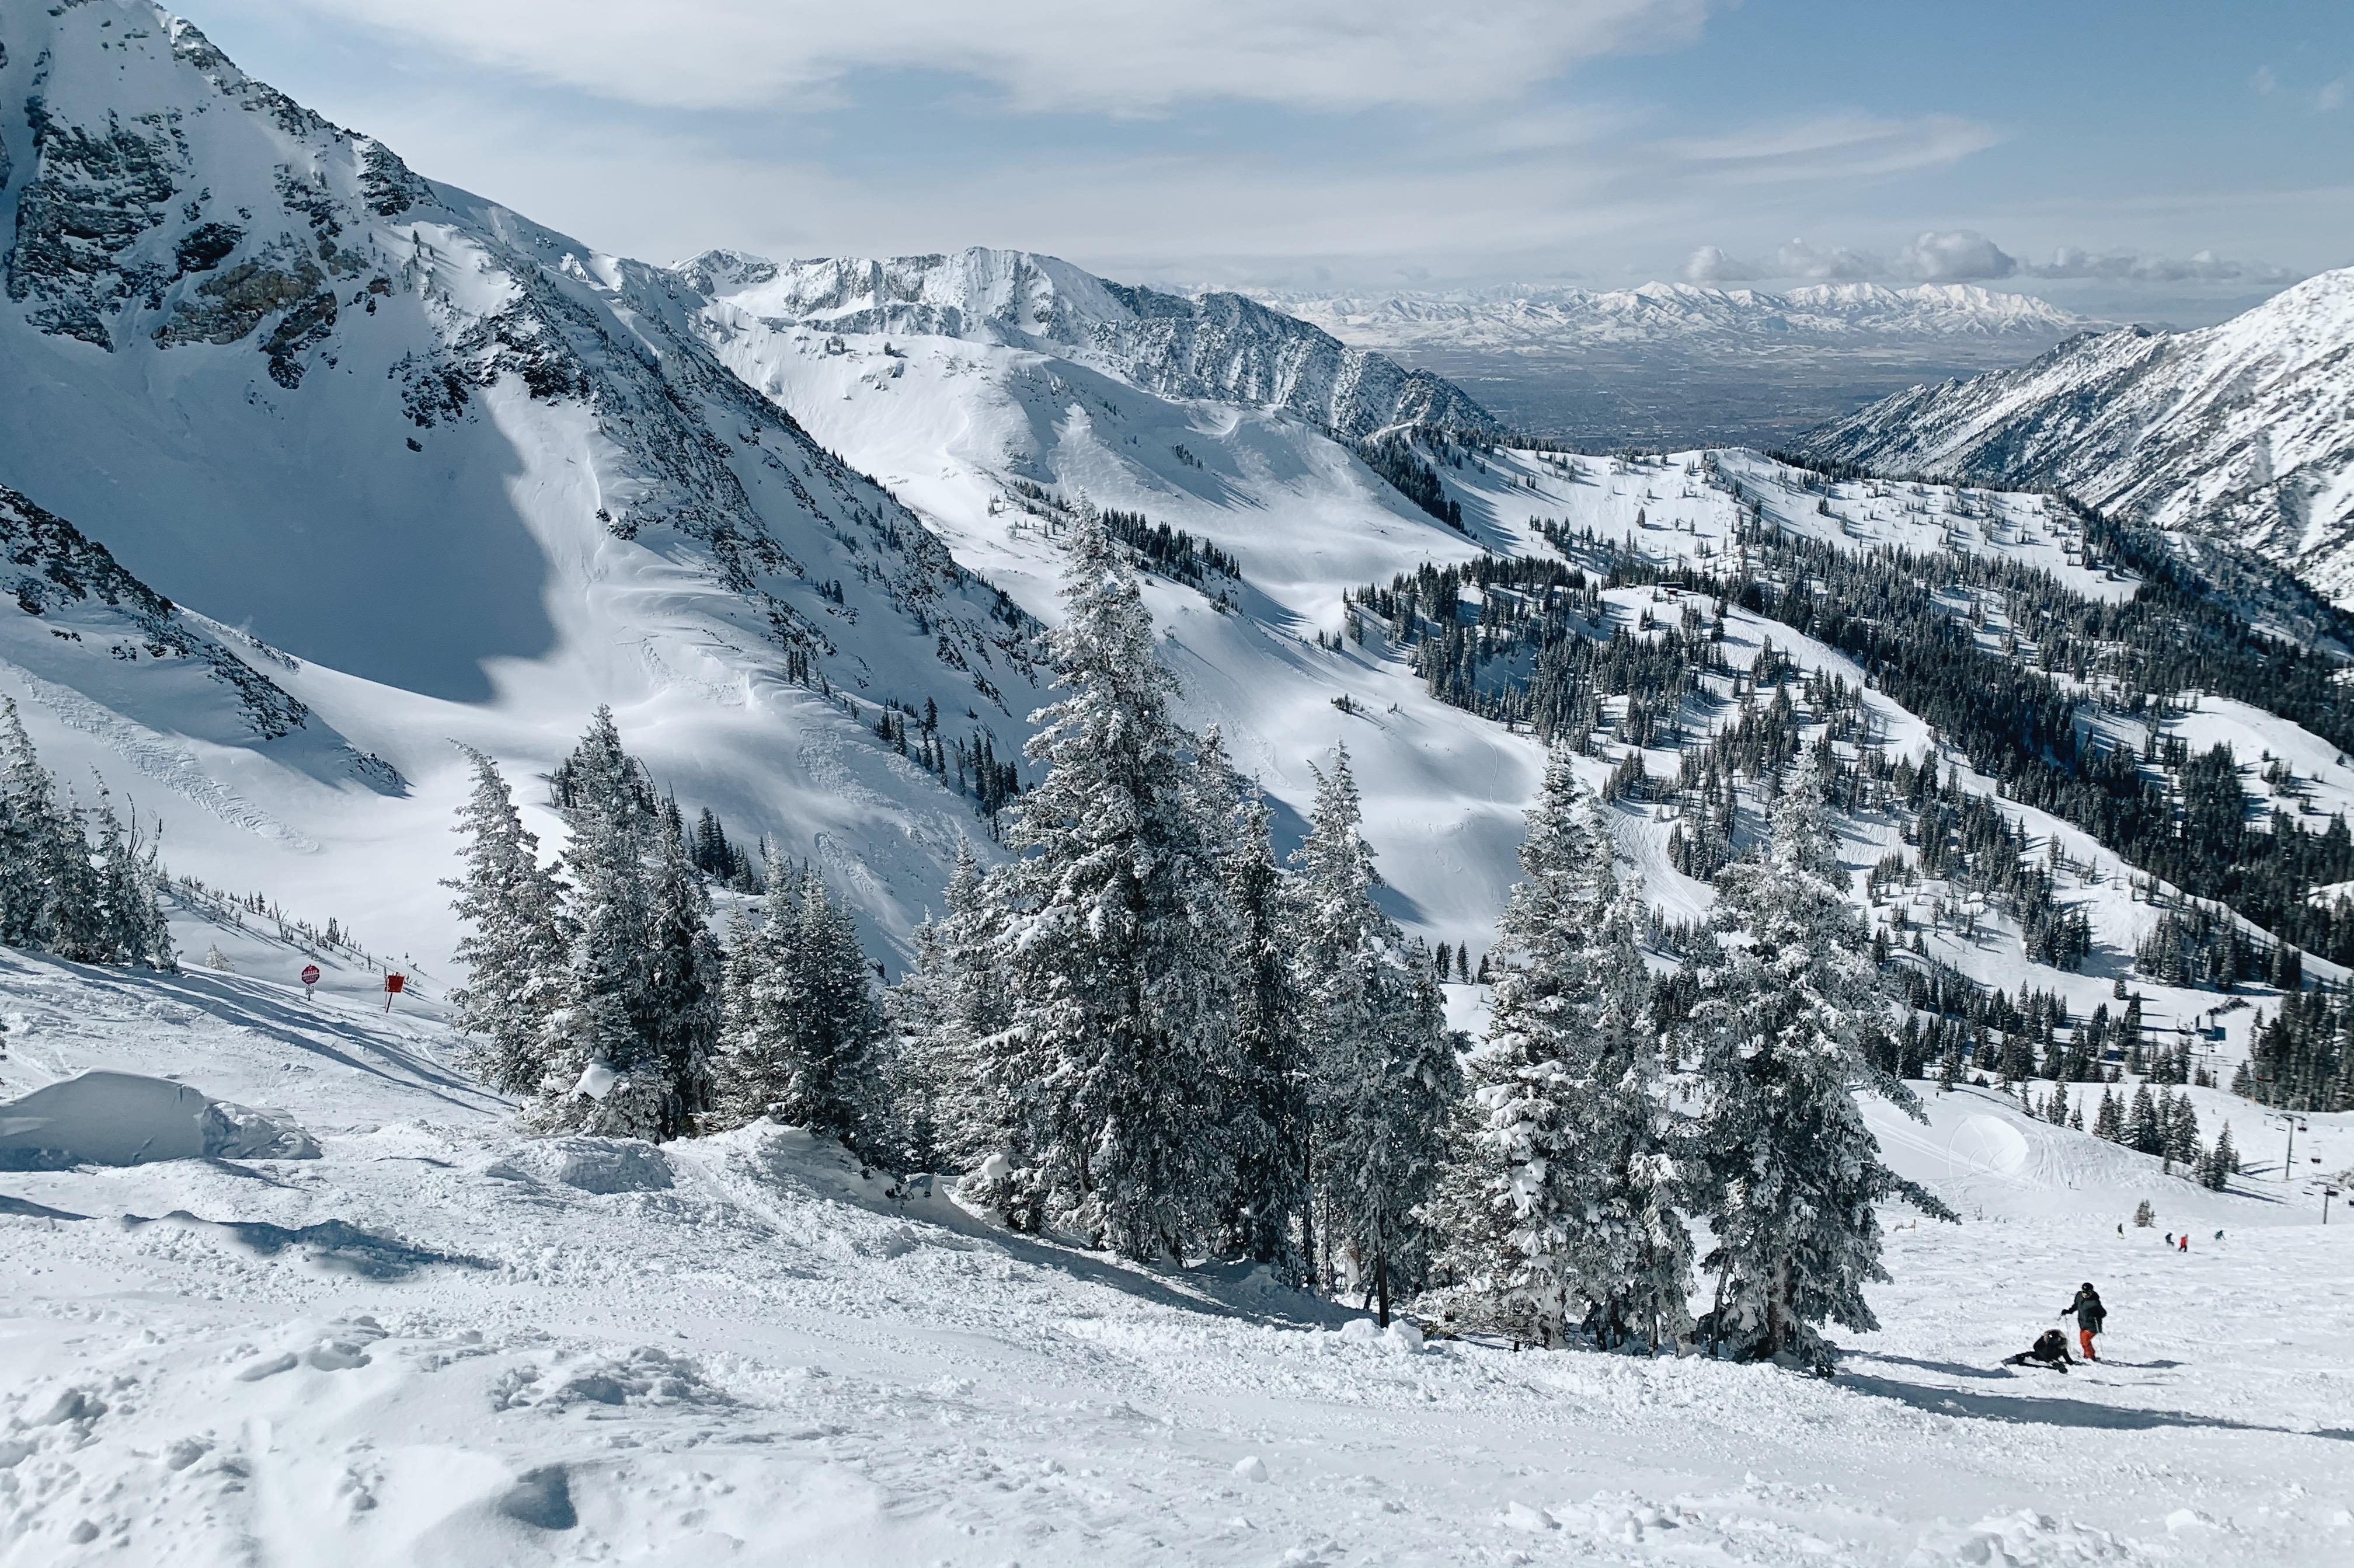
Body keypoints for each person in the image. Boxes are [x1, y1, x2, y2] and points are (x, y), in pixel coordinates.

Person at [2062, 1282, 2105, 1361]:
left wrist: (2096, 1314)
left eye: (2088, 1293)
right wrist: (2069, 1311)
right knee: (2084, 1342)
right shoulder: (2079, 1296)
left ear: (2091, 1292)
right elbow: (2076, 1305)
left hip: (2093, 1326)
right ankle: (2088, 1355)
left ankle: (2090, 1357)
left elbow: (2103, 1313)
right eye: (2084, 1292)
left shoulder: (2095, 1302)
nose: (2085, 1294)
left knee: (2085, 1342)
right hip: (2082, 1324)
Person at [2003, 1328, 2074, 1372]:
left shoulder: (2062, 1342)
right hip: (2041, 1354)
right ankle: (2013, 1360)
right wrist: (2045, 1358)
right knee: (2028, 1355)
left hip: (2052, 1357)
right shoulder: (2044, 1338)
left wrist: (2070, 1362)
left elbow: (2064, 1352)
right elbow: (2036, 1347)